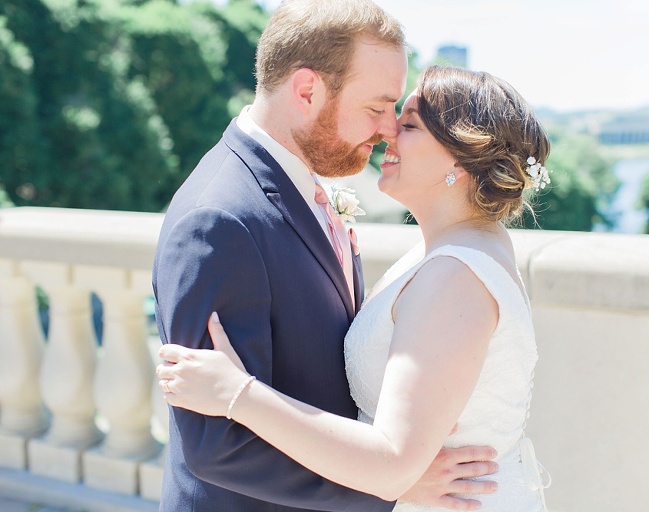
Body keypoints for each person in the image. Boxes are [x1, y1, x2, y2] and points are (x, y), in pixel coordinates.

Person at [151, 1, 498, 510]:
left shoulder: (306, 181)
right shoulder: (219, 220)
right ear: (307, 90)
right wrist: (389, 484)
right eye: (377, 107)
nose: (387, 129)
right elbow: (216, 446)